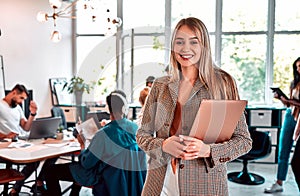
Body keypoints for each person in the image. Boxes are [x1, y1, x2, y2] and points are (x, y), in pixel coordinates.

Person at [136, 17, 252, 196]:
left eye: (193, 42)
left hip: (205, 185)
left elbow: (244, 141)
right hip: (161, 183)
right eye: (179, 42)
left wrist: (209, 150)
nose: (185, 48)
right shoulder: (160, 86)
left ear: (204, 46)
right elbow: (142, 136)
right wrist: (164, 144)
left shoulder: (222, 83)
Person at [45, 90, 147, 196]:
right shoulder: (136, 128)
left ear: (108, 108)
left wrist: (82, 144)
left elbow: (87, 164)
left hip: (105, 178)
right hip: (130, 180)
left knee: (50, 171)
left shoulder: (103, 134)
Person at [0, 84, 55, 195]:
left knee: (49, 155)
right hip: (6, 146)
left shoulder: (17, 108)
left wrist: (32, 113)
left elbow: (26, 127)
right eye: (21, 98)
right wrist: (5, 136)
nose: (21, 102)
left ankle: (34, 183)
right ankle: (16, 189)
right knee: (33, 162)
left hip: (19, 142)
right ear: (14, 92)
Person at [264, 57, 300, 193]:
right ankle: (279, 182)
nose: (298, 69)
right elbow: (289, 104)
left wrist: (290, 101)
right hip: (290, 116)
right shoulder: (294, 83)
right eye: (296, 67)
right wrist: (282, 99)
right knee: (283, 150)